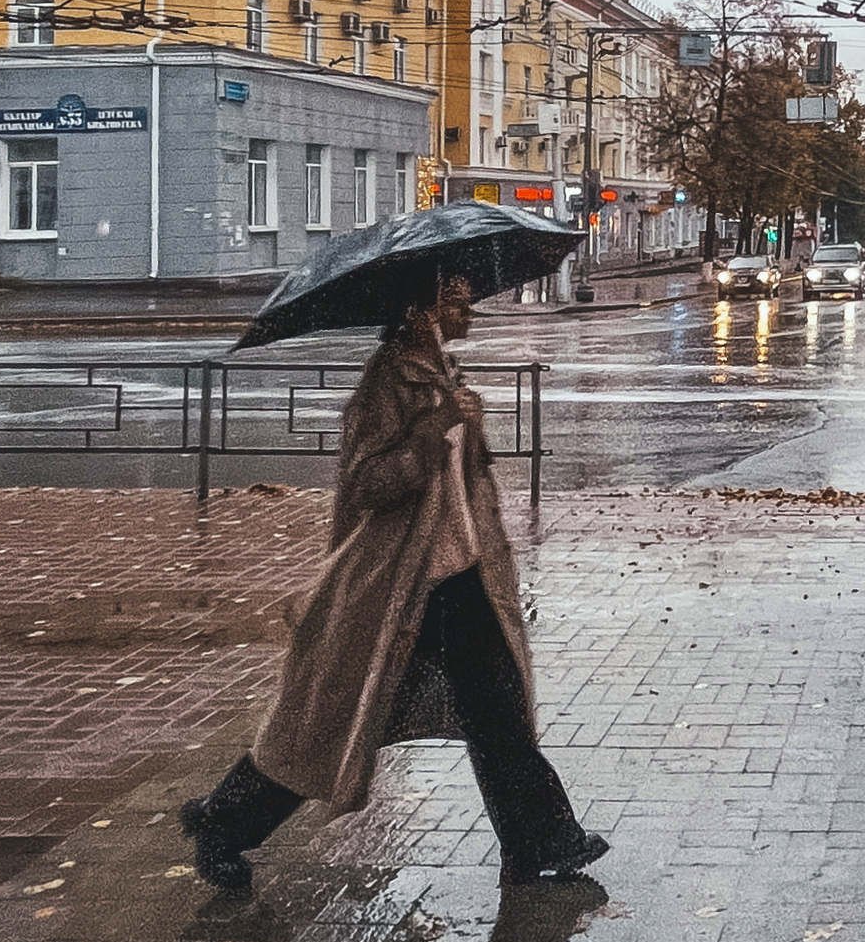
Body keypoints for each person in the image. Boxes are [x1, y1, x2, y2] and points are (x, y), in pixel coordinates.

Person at [182, 262, 605, 891]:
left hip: (458, 577)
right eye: (458, 299)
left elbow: (463, 489)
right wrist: (437, 428)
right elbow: (366, 482)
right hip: (397, 587)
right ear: (421, 311)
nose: (471, 310)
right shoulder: (388, 382)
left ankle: (539, 840)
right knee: (331, 716)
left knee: (497, 709)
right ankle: (221, 824)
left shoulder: (441, 374)